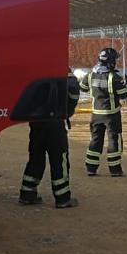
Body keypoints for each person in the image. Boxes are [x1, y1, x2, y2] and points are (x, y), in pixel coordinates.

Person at [19, 73, 80, 208]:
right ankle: (62, 197)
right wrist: (67, 112)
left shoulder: (36, 70)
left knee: (36, 156)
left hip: (36, 121)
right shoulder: (64, 72)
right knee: (59, 158)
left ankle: (27, 193)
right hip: (55, 122)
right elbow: (74, 93)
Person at [84, 47, 127, 177]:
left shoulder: (91, 74)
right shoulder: (113, 77)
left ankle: (91, 168)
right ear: (110, 61)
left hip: (95, 115)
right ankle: (115, 170)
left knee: (95, 140)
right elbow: (123, 94)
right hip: (111, 115)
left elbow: (83, 87)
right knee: (114, 140)